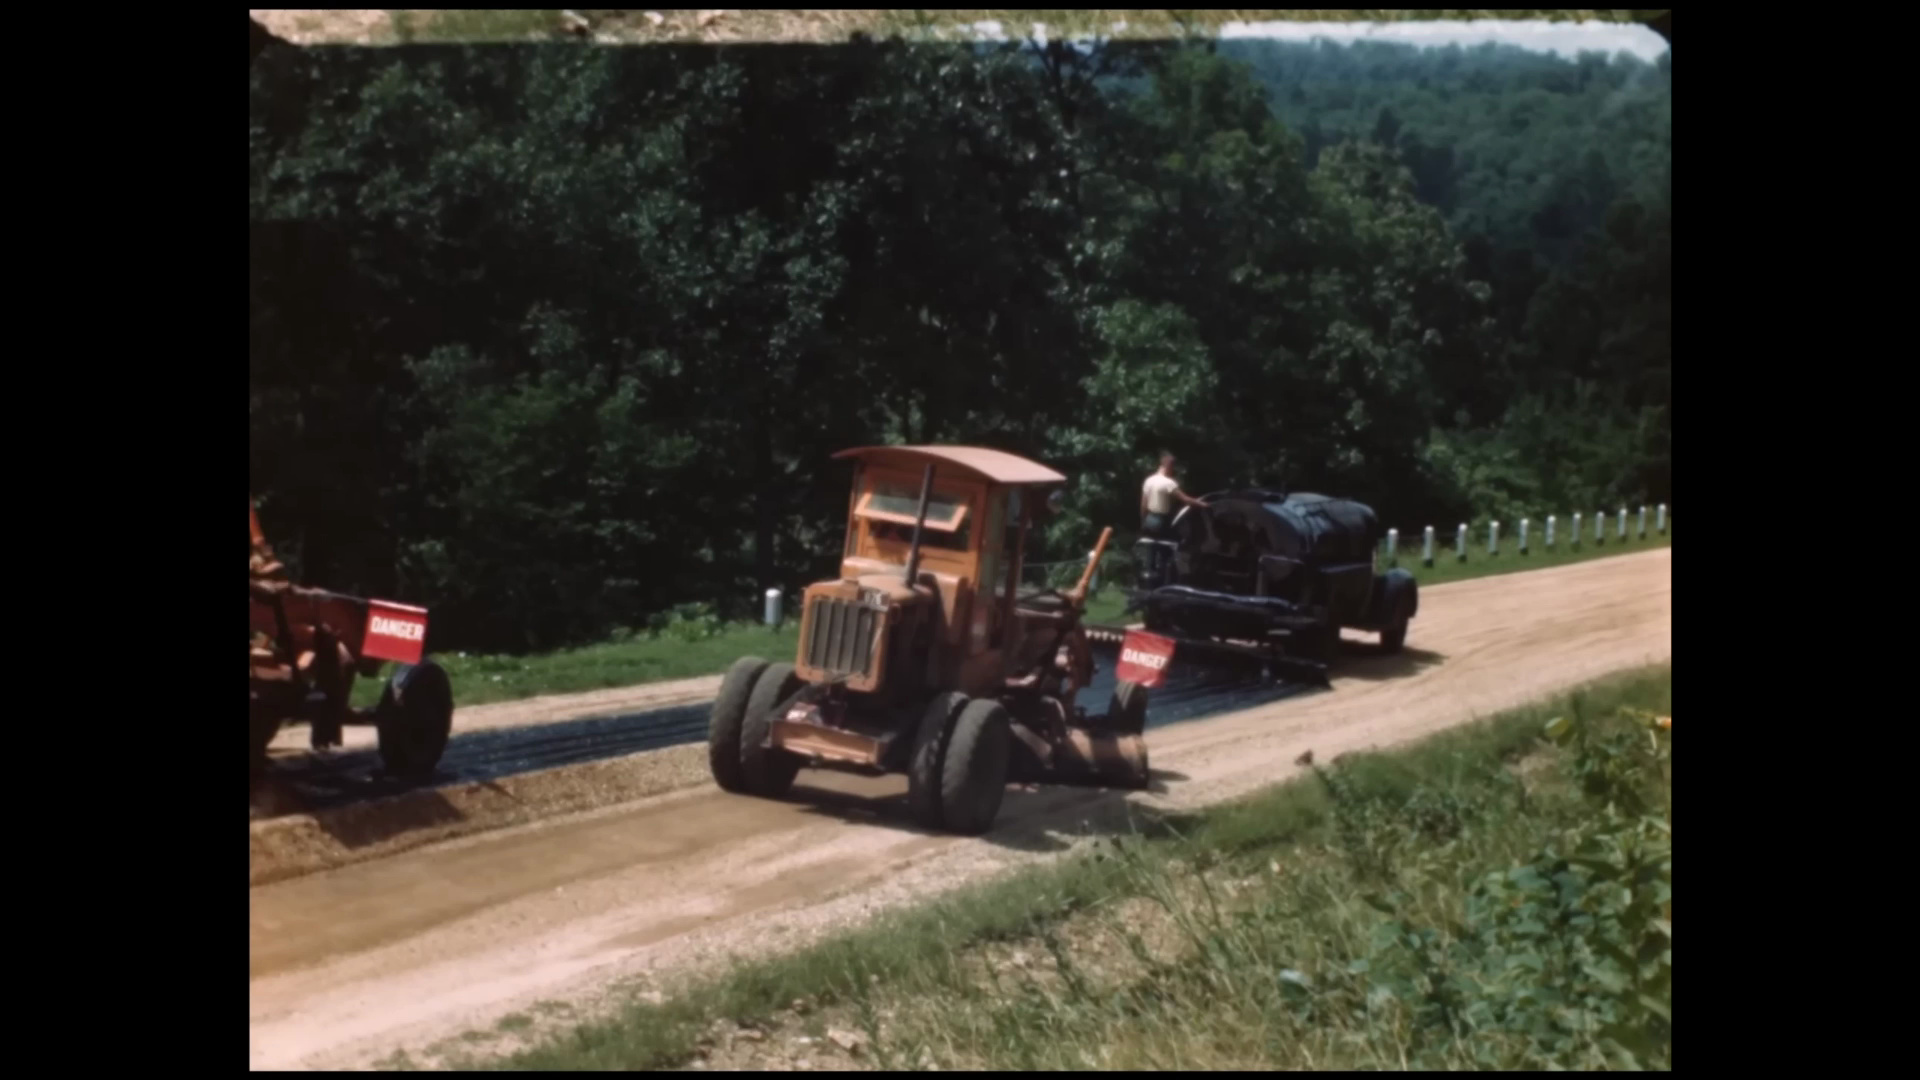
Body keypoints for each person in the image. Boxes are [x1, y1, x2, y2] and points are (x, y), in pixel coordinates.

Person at [1141, 452, 1207, 540]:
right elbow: (1185, 499)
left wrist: (1144, 521)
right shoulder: (1169, 483)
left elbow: (1143, 505)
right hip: (1161, 521)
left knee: (1153, 546)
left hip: (1149, 519)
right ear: (1169, 467)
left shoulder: (1149, 481)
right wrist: (1203, 504)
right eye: (1173, 468)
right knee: (1172, 543)